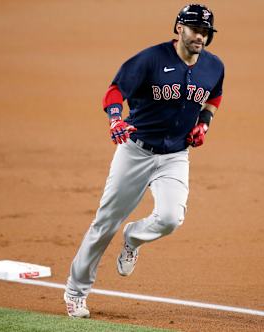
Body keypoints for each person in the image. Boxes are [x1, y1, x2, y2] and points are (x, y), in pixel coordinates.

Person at [64, 4, 225, 318]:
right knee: (105, 223)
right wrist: (115, 119)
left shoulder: (214, 66)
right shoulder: (150, 60)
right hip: (135, 151)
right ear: (179, 28)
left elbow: (215, 95)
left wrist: (203, 123)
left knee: (170, 219)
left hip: (176, 156)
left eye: (205, 32)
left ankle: (133, 237)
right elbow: (115, 90)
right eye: (195, 30)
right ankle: (75, 292)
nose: (200, 37)